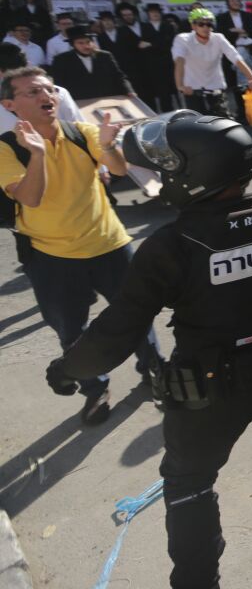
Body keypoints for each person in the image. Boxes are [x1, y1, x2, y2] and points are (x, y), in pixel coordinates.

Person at [46, 111, 252, 587]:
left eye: (169, 168)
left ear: (192, 174)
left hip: (205, 387)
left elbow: (116, 333)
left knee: (189, 485)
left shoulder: (170, 247)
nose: (162, 176)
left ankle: (197, 580)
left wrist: (67, 370)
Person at [1, 67, 162, 424]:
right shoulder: (6, 149)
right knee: (73, 333)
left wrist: (106, 145)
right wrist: (39, 154)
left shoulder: (82, 132)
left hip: (110, 243)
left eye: (49, 89)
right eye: (32, 92)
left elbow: (119, 171)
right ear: (10, 104)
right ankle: (95, 389)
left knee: (136, 315)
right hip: (52, 257)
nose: (46, 96)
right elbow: (30, 197)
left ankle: (154, 372)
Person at [172, 8, 252, 118]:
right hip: (192, 88)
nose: (206, 27)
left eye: (209, 24)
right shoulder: (182, 39)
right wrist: (181, 86)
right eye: (201, 24)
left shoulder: (218, 38)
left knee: (222, 119)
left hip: (215, 85)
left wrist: (251, 78)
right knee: (197, 123)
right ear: (193, 26)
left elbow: (236, 58)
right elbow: (179, 61)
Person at [0, 44, 83, 133]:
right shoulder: (58, 92)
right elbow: (79, 127)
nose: (46, 96)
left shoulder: (58, 92)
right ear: (27, 64)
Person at [51, 25, 134, 99]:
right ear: (73, 45)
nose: (86, 46)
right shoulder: (61, 60)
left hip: (106, 99)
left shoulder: (105, 56)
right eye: (81, 43)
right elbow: (59, 85)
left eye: (88, 42)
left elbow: (119, 76)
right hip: (79, 102)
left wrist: (129, 90)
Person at [141, 3, 179, 111]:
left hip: (168, 63)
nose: (155, 14)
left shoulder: (168, 26)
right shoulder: (144, 27)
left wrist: (151, 44)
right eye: (152, 12)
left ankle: (174, 112)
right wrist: (158, 44)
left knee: (171, 91)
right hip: (152, 64)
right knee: (158, 92)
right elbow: (141, 45)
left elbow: (169, 43)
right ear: (148, 14)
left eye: (157, 12)